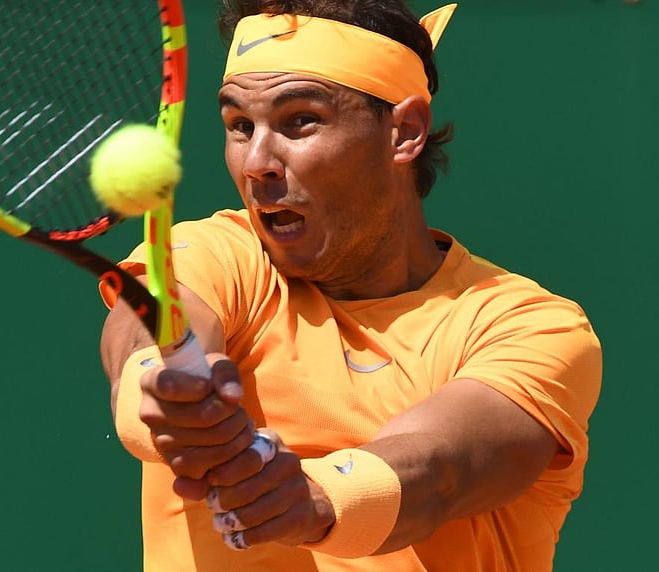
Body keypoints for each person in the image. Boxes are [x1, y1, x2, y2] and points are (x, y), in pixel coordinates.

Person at [98, 1, 602, 570]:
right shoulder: (220, 253)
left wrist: (312, 498)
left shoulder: (531, 327)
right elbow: (145, 335)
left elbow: (439, 471)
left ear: (404, 132)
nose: (257, 161)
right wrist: (162, 395)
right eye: (240, 125)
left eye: (299, 121)